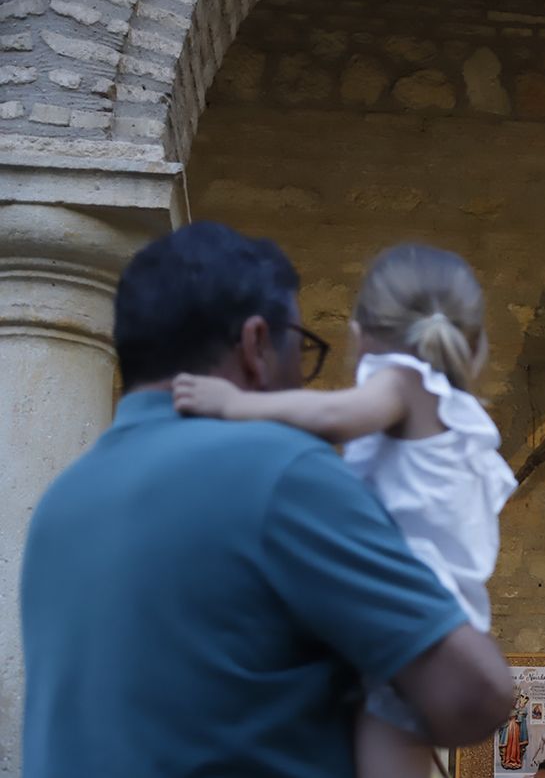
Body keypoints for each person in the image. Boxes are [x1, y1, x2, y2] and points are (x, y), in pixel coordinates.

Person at [20, 222, 513, 778]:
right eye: (302, 349)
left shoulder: (61, 502)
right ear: (256, 345)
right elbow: (476, 694)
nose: (303, 375)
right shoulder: (281, 473)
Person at [172, 243, 518, 778]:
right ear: (473, 348)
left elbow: (335, 414)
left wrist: (233, 405)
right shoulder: (458, 417)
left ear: (359, 338)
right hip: (439, 623)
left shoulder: (404, 381)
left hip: (398, 610)